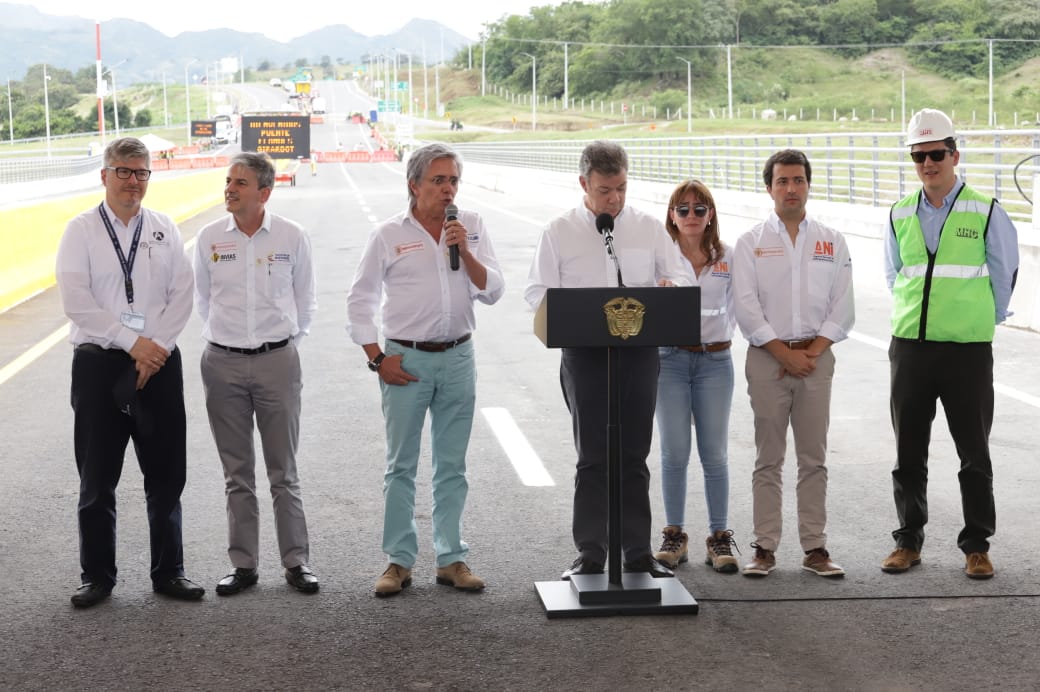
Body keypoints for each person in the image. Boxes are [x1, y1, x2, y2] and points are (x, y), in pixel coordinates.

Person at [525, 140, 693, 581]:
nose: (614, 199)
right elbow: (535, 292)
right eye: (604, 190)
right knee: (593, 456)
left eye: (620, 188)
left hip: (638, 353)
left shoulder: (647, 227)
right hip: (584, 356)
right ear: (584, 183)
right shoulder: (558, 231)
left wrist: (671, 286)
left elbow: (680, 273)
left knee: (634, 454)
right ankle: (591, 552)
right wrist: (566, 308)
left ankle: (637, 550)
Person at [346, 143, 504, 597]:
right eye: (438, 180)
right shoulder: (388, 234)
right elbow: (361, 299)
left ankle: (451, 558)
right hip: (406, 360)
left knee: (452, 466)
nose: (448, 188)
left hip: (458, 357)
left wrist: (466, 252)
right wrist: (377, 358)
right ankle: (398, 561)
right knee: (401, 465)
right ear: (414, 185)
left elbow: (493, 289)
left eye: (453, 180)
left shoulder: (470, 227)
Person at [55, 137, 204, 608]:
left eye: (142, 173)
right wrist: (132, 343)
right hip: (100, 365)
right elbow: (77, 302)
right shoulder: (79, 230)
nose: (133, 181)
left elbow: (183, 293)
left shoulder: (164, 227)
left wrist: (153, 349)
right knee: (97, 477)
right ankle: (96, 575)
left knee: (166, 475)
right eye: (124, 171)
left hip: (159, 363)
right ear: (104, 175)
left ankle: (169, 572)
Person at [881, 109, 1019, 580]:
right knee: (908, 453)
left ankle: (977, 545)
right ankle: (907, 540)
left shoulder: (986, 210)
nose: (927, 163)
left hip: (966, 351)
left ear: (954, 155)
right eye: (918, 155)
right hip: (911, 349)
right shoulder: (899, 212)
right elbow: (894, 274)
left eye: (936, 153)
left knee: (973, 453)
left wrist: (981, 319)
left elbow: (1004, 275)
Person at [193, 152, 320, 596]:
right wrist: (227, 341)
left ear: (264, 192)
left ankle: (296, 563)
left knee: (283, 470)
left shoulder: (292, 235)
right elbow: (203, 300)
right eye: (228, 181)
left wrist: (282, 346)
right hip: (221, 363)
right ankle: (243, 565)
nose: (229, 189)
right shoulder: (209, 238)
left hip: (276, 361)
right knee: (237, 473)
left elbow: (306, 302)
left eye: (240, 183)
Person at [732, 148, 855, 579]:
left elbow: (843, 307)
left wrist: (810, 353)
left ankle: (815, 547)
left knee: (813, 458)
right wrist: (783, 354)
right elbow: (745, 308)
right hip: (768, 359)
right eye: (782, 181)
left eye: (798, 180)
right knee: (768, 458)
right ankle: (764, 548)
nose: (790, 188)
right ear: (769, 188)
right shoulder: (750, 243)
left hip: (816, 360)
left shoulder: (832, 241)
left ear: (808, 184)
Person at [652, 180, 739, 573]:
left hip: (715, 362)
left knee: (715, 454)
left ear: (711, 215)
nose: (691, 216)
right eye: (682, 209)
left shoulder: (729, 258)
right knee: (673, 452)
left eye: (699, 209)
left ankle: (719, 537)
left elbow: (742, 308)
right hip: (669, 360)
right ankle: (675, 535)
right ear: (671, 215)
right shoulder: (660, 260)